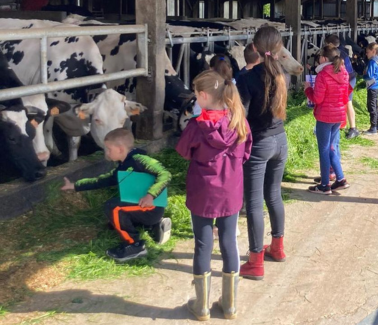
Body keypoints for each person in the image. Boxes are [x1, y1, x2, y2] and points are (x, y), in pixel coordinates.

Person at [176, 70, 252, 321]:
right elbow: (246, 153)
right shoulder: (239, 120)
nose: (196, 101)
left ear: (204, 95)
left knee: (202, 244)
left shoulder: (198, 126)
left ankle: (202, 307)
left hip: (203, 193)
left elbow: (183, 151)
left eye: (197, 96)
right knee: (229, 241)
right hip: (230, 191)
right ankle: (229, 306)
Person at [60, 129, 172, 262]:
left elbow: (165, 174)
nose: (106, 153)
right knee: (114, 220)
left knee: (114, 207)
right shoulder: (123, 165)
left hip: (150, 207)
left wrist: (150, 195)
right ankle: (154, 225)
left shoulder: (140, 159)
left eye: (108, 149)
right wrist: (75, 185)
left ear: (120, 149)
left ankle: (134, 246)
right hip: (142, 208)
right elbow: (102, 180)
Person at [236, 26, 289, 280]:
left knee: (254, 202)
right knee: (274, 195)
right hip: (281, 140)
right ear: (278, 49)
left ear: (254, 48)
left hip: (258, 144)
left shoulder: (247, 78)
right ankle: (277, 248)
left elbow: (242, 115)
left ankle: (255, 261)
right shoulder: (283, 75)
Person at [304, 44, 352, 194]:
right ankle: (340, 179)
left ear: (324, 58)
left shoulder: (323, 75)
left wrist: (307, 89)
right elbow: (345, 96)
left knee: (324, 150)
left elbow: (317, 99)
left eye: (319, 58)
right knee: (332, 147)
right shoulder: (344, 72)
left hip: (325, 116)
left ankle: (324, 185)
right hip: (338, 115)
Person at [325, 34, 360, 140]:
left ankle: (353, 128)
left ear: (330, 44)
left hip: (347, 79)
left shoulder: (336, 54)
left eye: (326, 44)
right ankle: (341, 125)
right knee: (344, 101)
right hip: (349, 77)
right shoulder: (343, 51)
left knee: (348, 102)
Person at [363, 43, 378, 135]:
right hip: (377, 85)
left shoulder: (372, 62)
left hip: (372, 86)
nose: (366, 54)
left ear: (374, 51)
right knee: (375, 106)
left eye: (368, 52)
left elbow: (369, 75)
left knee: (371, 107)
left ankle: (373, 128)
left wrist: (364, 74)